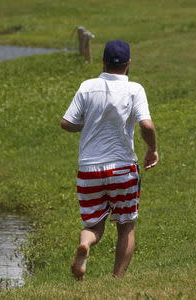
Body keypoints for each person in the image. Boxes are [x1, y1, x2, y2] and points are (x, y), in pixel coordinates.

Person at [60, 40, 159, 280]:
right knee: (125, 226)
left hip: (89, 170)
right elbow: (146, 124)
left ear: (103, 61)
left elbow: (66, 123)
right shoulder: (134, 89)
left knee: (93, 225)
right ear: (129, 64)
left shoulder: (87, 86)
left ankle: (85, 244)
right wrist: (152, 148)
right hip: (122, 168)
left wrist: (89, 124)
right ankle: (117, 279)